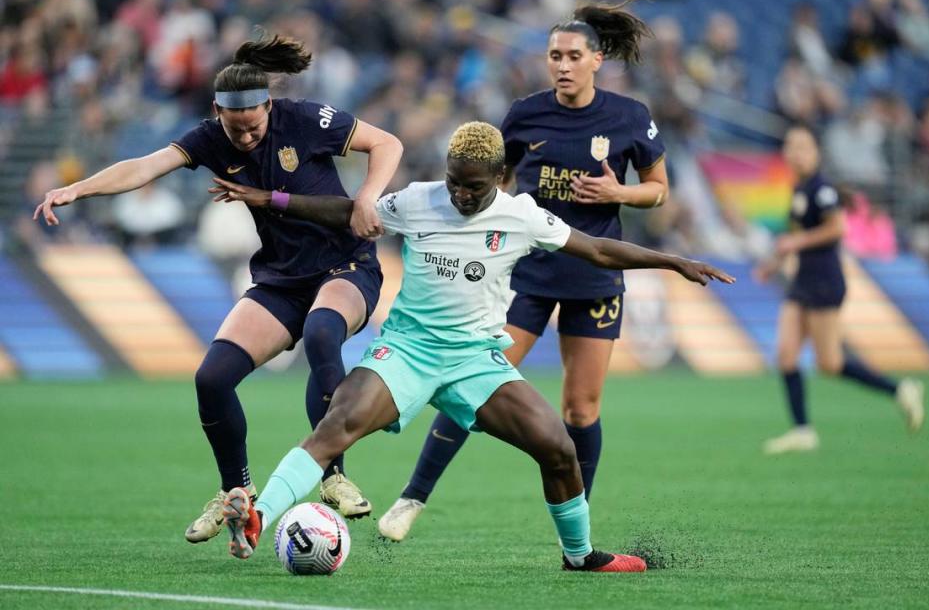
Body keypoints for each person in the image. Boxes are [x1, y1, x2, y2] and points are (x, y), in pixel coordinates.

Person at [209, 121, 734, 572]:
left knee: (557, 447)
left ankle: (580, 555)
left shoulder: (521, 215)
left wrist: (672, 261)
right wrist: (270, 199)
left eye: (474, 187)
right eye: (455, 182)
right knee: (336, 427)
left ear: (500, 180)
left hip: (474, 359)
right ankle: (257, 516)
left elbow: (596, 248)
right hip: (408, 351)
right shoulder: (416, 201)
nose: (461, 194)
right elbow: (346, 211)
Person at [33, 34, 403, 538]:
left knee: (322, 333)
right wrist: (78, 187)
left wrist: (367, 197)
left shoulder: (306, 118)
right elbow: (144, 166)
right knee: (211, 378)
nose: (246, 138)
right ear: (217, 112)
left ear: (269, 107)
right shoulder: (209, 137)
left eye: (253, 127)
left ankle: (332, 474)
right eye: (236, 129)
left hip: (346, 265)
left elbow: (388, 142)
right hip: (280, 278)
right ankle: (237, 493)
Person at [378, 0, 669, 541]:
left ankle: (578, 522)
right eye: (554, 54)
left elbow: (658, 191)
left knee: (580, 409)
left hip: (594, 276)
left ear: (597, 58)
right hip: (528, 274)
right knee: (473, 380)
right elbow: (493, 184)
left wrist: (618, 192)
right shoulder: (525, 114)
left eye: (572, 55)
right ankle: (412, 498)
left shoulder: (630, 118)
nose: (561, 64)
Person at [754, 126, 925, 454]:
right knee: (786, 354)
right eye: (790, 146)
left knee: (829, 363)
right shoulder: (800, 188)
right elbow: (797, 236)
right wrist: (775, 263)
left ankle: (901, 389)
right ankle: (802, 430)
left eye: (803, 146)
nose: (795, 152)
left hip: (824, 280)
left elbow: (836, 228)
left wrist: (797, 241)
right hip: (803, 279)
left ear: (816, 151)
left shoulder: (822, 189)